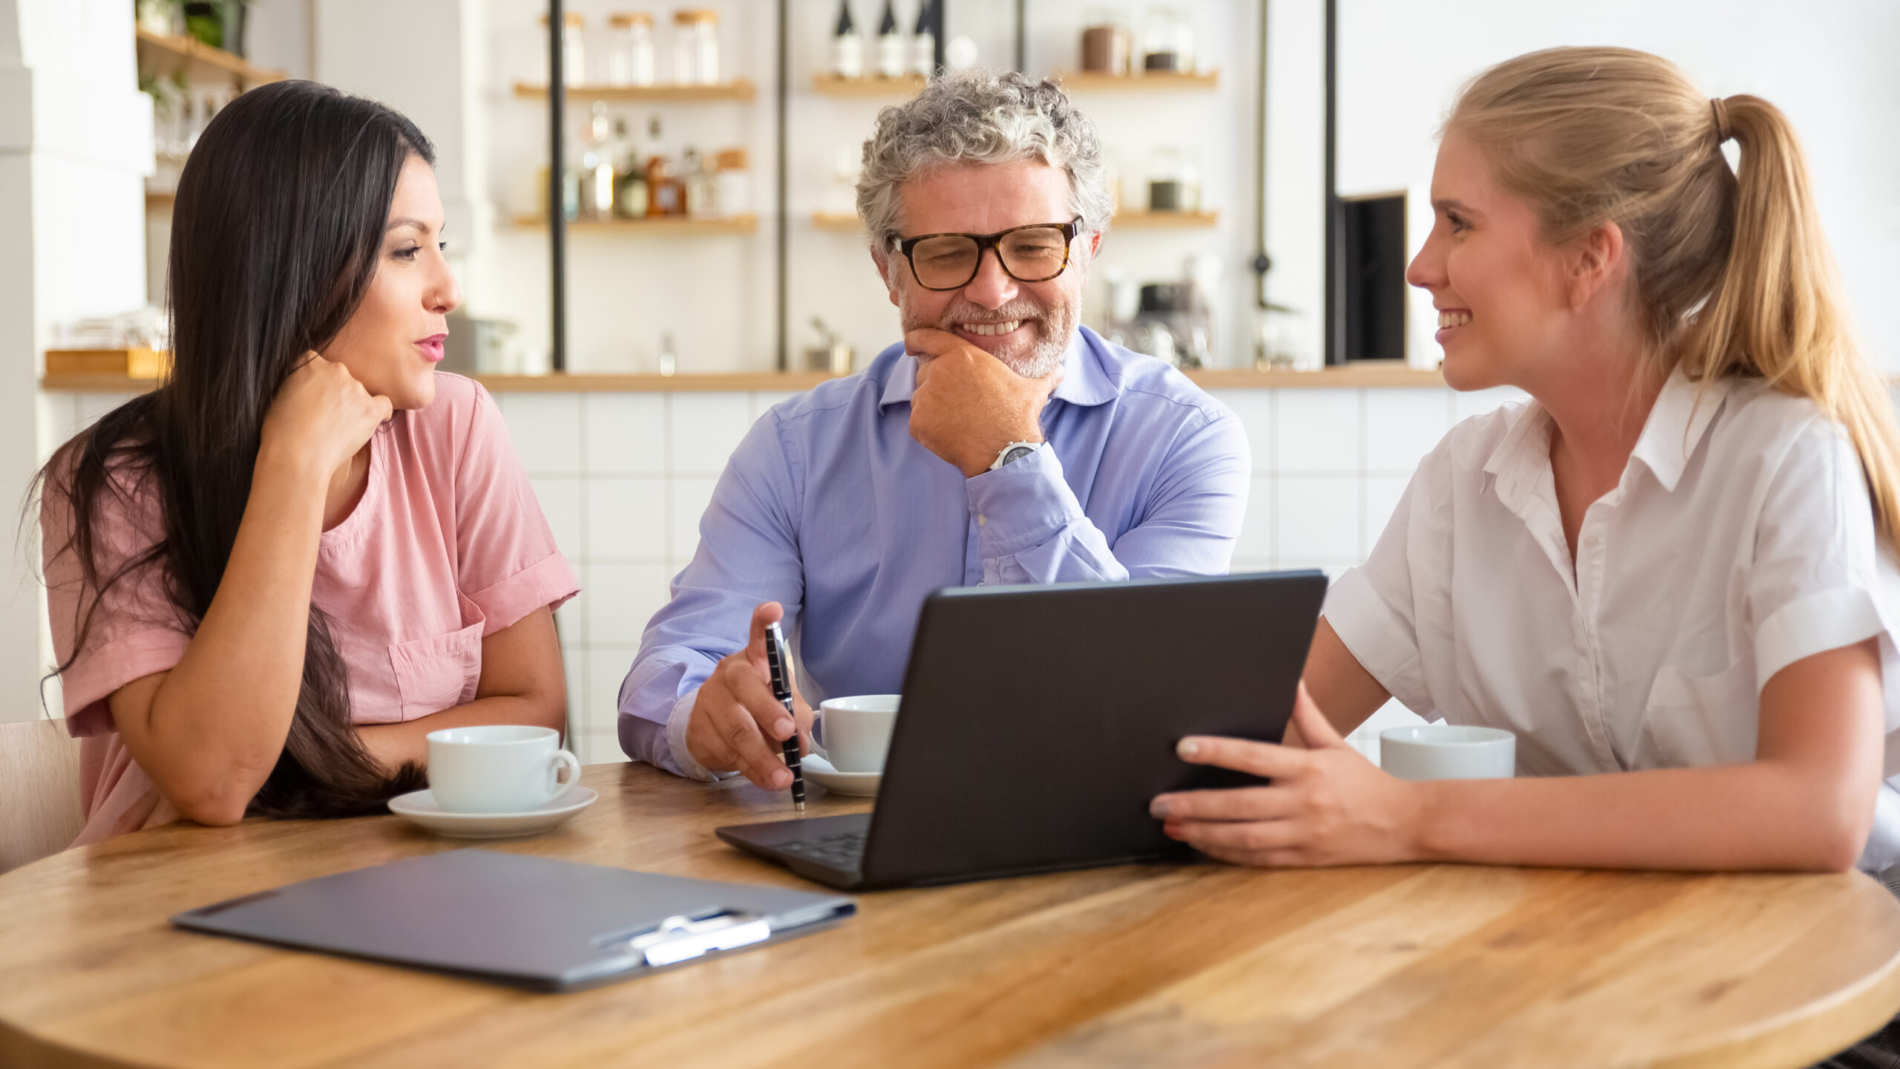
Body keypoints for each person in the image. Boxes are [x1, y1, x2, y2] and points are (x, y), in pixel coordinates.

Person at [1150, 45, 1899, 878]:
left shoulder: (1787, 457)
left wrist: (1411, 815)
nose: (1418, 266)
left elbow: (1819, 810)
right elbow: (1263, 732)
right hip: (1594, 972)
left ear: (1589, 259)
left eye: (1458, 222)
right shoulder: (1462, 484)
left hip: (1830, 974)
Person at [619, 69, 1250, 786]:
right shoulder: (795, 449)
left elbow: (1150, 700)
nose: (993, 289)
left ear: (1088, 254)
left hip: (1101, 839)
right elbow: (661, 683)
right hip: (857, 835)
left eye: (1035, 244)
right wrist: (705, 718)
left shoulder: (1187, 438)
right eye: (948, 252)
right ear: (891, 273)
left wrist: (1006, 455)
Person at [39, 80, 579, 844]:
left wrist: (305, 769)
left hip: (418, 885)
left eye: (440, 244)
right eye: (405, 250)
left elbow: (532, 711)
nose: (447, 289)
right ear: (291, 269)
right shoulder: (113, 482)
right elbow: (216, 780)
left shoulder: (455, 426)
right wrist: (293, 464)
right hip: (181, 911)